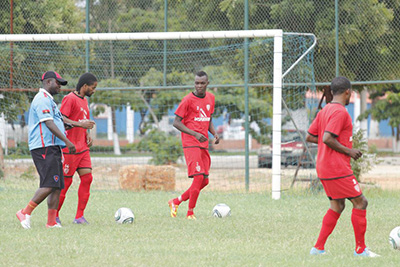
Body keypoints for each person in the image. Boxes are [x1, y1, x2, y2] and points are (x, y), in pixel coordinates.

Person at [306, 76, 379, 257]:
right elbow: (327, 138)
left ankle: (318, 249)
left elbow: (310, 136)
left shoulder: (325, 111)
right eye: (351, 92)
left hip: (324, 167)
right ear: (348, 92)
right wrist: (349, 151)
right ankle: (361, 250)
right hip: (336, 168)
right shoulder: (340, 112)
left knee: (337, 206)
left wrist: (328, 144)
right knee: (361, 202)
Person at [16, 71, 76, 229]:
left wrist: (72, 126)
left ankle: (51, 222)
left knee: (56, 185)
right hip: (43, 147)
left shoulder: (50, 101)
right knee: (49, 184)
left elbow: (57, 121)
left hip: (53, 147)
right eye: (58, 83)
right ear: (49, 82)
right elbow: (48, 123)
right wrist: (67, 141)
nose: (60, 87)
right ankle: (25, 212)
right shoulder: (41, 99)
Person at [168, 71, 220, 220]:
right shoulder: (187, 100)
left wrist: (214, 133)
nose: (199, 86)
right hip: (190, 142)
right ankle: (190, 212)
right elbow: (176, 122)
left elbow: (208, 119)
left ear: (207, 84)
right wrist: (194, 134)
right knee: (198, 176)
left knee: (205, 180)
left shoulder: (211, 98)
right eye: (197, 83)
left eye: (202, 83)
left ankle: (176, 201)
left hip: (203, 143)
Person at [56, 73, 97, 225]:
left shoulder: (84, 101)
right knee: (65, 184)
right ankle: (55, 216)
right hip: (70, 148)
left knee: (87, 178)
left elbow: (82, 120)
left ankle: (79, 217)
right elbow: (61, 119)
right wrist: (81, 125)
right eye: (93, 88)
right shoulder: (69, 98)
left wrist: (86, 134)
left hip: (83, 148)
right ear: (85, 86)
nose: (94, 90)